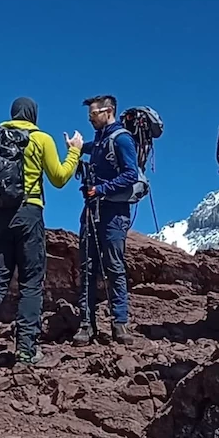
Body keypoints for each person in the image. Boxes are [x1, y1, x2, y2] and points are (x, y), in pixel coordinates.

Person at [0, 97, 84, 375]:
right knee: (31, 282)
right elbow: (59, 177)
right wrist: (74, 152)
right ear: (33, 115)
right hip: (29, 213)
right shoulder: (41, 139)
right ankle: (27, 350)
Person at [71, 95, 140, 347]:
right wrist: (77, 147)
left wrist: (101, 189)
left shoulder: (122, 139)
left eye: (93, 114)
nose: (90, 119)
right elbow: (92, 148)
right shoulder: (101, 140)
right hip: (93, 210)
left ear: (108, 111)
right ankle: (86, 323)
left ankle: (119, 323)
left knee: (113, 265)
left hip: (113, 212)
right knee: (88, 266)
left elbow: (131, 174)